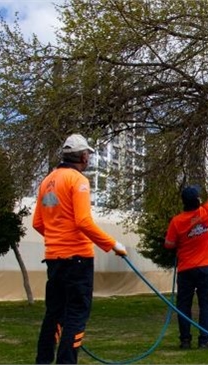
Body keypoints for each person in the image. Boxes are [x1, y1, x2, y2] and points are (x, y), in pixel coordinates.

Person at [33, 133, 127, 364]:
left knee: (53, 314)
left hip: (54, 259)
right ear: (83, 156)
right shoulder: (78, 180)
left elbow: (38, 223)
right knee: (75, 314)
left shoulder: (47, 182)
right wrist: (113, 244)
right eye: (88, 155)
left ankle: (43, 361)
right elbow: (83, 221)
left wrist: (57, 239)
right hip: (78, 260)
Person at [164, 155, 208, 350]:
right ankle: (205, 341)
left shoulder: (177, 221)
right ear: (198, 200)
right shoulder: (207, 212)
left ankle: (185, 341)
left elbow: (169, 244)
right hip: (206, 269)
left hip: (186, 270)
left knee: (184, 306)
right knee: (206, 305)